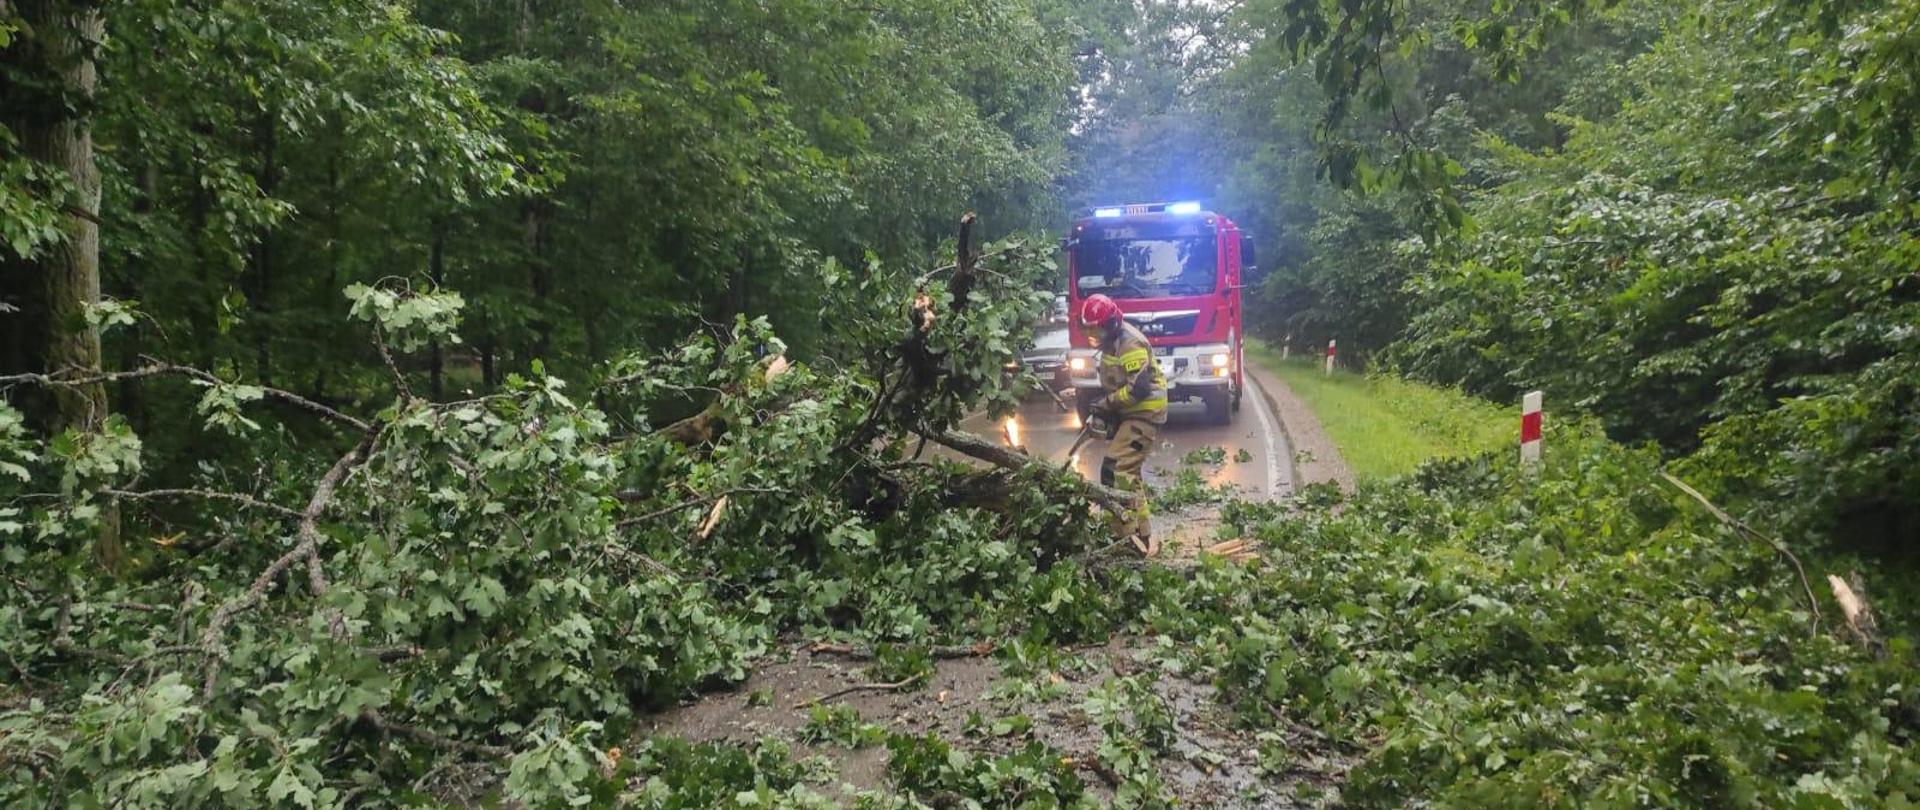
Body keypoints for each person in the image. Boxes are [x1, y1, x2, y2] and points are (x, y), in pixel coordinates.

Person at [1079, 294, 1167, 554]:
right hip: (1130, 413)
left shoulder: (1130, 344)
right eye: (1090, 329)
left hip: (1145, 414)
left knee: (1115, 470)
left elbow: (1137, 390)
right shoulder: (1109, 343)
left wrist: (1106, 404)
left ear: (1111, 323)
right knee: (1130, 476)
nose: (1094, 335)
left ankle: (1123, 537)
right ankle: (1140, 536)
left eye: (1098, 329)